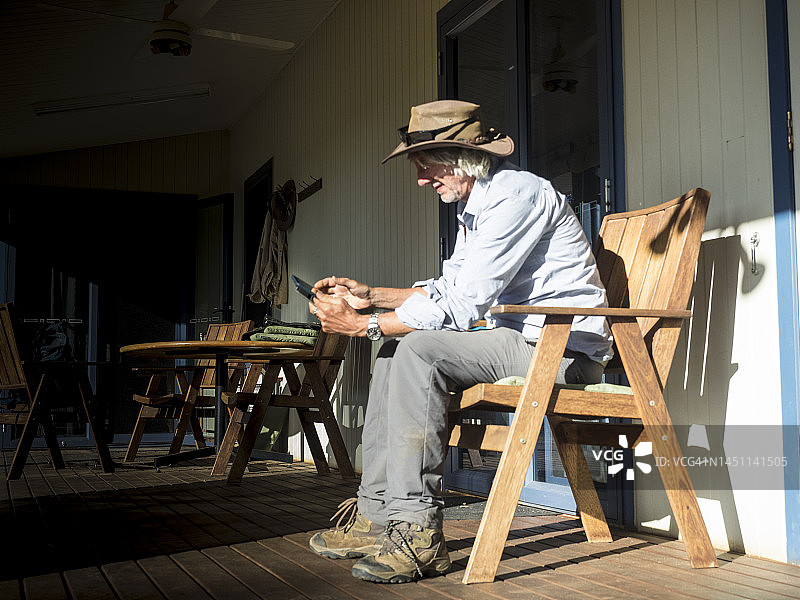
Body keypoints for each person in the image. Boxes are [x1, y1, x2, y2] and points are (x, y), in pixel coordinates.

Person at [306, 99, 613, 584]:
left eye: (426, 166)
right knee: (393, 350)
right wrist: (373, 297)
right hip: (519, 339)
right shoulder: (478, 207)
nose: (422, 179)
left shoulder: (517, 195)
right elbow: (449, 291)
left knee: (417, 350)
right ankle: (378, 515)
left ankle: (417, 533)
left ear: (461, 158)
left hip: (562, 350)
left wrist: (363, 325)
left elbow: (464, 307)